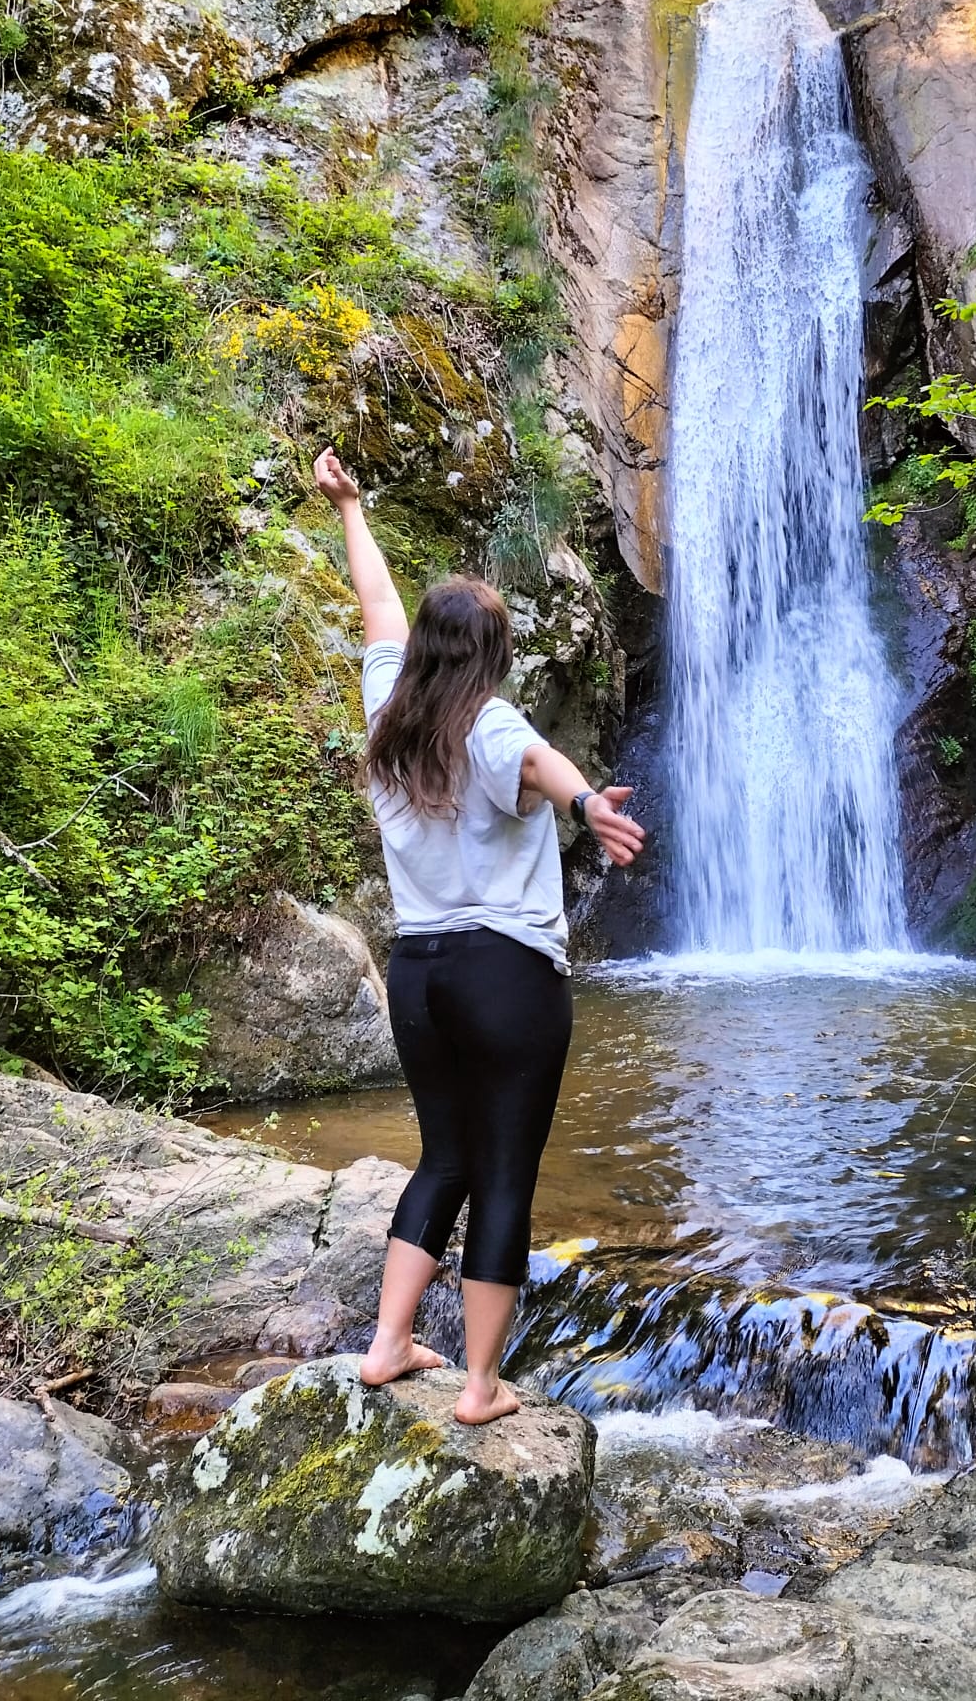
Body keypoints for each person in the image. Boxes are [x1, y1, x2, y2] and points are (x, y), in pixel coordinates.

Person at [313, 447, 645, 1425]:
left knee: (443, 1157)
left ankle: (387, 1343)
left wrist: (351, 506)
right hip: (506, 972)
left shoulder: (389, 711)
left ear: (424, 649)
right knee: (504, 1172)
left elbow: (377, 604)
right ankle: (480, 1385)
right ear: (494, 661)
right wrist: (586, 802)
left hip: (418, 973)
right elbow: (540, 763)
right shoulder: (489, 724)